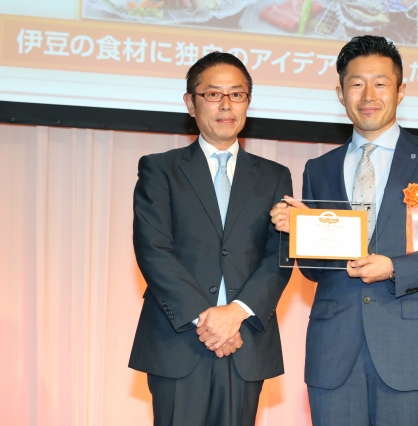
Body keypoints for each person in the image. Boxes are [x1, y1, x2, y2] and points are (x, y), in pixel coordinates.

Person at [270, 35, 418, 426]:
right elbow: (315, 272)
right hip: (334, 349)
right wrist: (299, 232)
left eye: (380, 83)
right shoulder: (319, 168)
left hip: (408, 348)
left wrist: (395, 268)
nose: (368, 95)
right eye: (356, 83)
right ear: (340, 93)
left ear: (400, 91)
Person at [129, 52, 293, 426]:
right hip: (178, 339)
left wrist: (236, 313)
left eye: (237, 94)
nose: (226, 105)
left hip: (245, 338)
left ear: (248, 102)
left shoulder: (274, 176)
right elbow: (153, 249)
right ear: (191, 103)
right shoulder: (160, 168)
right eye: (213, 94)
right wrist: (208, 320)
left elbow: (280, 255)